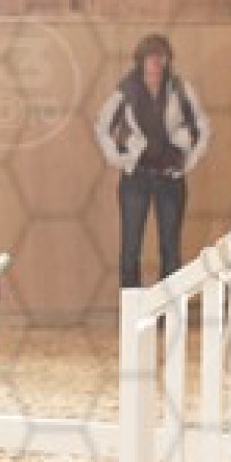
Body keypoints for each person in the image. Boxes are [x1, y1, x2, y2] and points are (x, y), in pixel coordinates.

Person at [93, 34, 211, 288]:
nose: (156, 64)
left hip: (170, 177)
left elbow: (202, 126)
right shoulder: (126, 90)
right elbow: (102, 127)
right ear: (141, 61)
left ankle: (170, 309)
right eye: (151, 58)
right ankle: (132, 308)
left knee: (170, 249)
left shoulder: (180, 89)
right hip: (136, 178)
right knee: (130, 248)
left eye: (161, 58)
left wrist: (188, 162)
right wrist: (120, 158)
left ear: (168, 60)